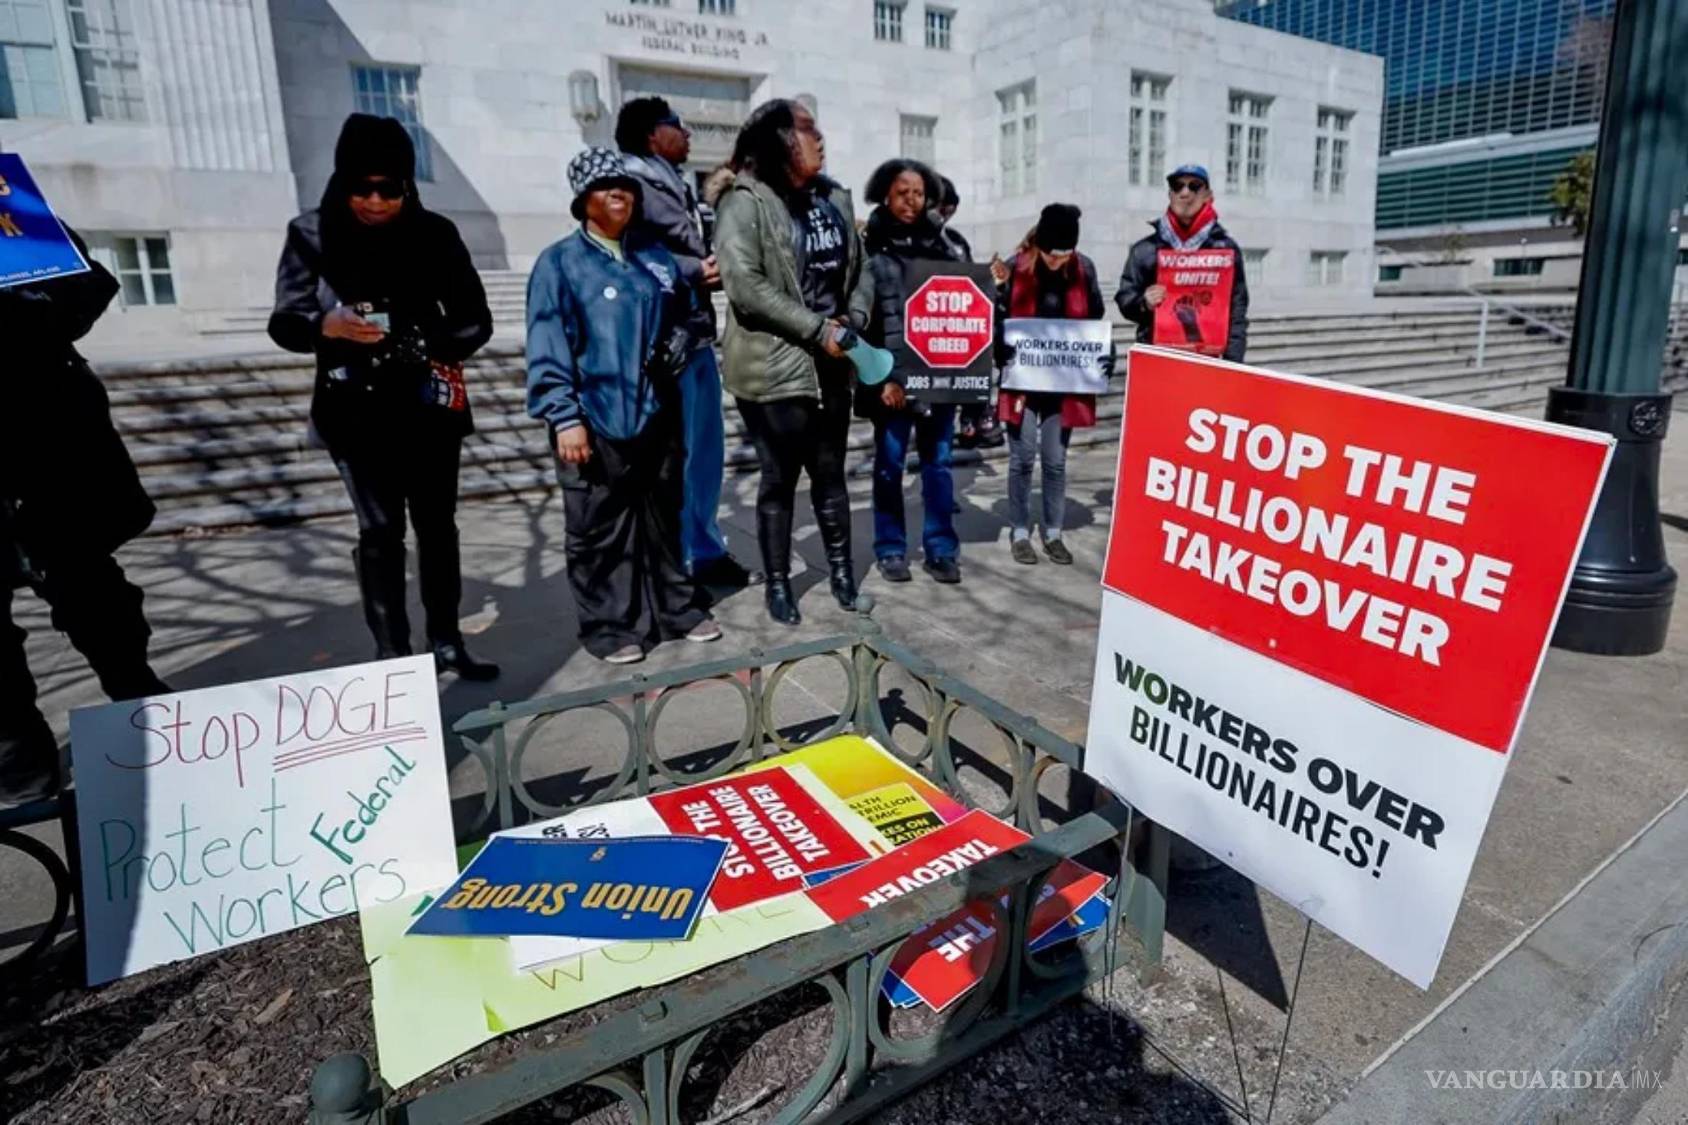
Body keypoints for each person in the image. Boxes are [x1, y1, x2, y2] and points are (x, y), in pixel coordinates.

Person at [269, 113, 498, 679]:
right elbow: (286, 320)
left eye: (389, 189)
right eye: (361, 188)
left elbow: (476, 320)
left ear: (407, 185)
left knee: (438, 527)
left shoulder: (436, 234)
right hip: (355, 413)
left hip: (427, 409)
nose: (375, 201)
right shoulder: (311, 233)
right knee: (379, 530)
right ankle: (393, 656)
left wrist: (423, 341)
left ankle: (446, 640)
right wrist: (327, 325)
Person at [525, 147, 722, 665]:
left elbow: (690, 311)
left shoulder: (655, 258)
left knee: (663, 514)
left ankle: (675, 608)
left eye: (628, 187)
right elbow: (548, 343)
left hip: (658, 413)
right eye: (607, 187)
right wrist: (565, 417)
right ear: (582, 200)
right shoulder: (560, 263)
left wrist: (683, 335)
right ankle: (611, 625)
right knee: (598, 527)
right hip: (595, 417)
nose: (621, 195)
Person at [0, 228, 170, 805]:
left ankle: (140, 705)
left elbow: (88, 287)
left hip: (50, 452)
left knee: (100, 602)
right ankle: (17, 753)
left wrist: (30, 312)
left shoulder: (11, 212)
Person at [714, 99, 868, 626]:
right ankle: (779, 585)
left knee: (830, 476)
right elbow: (745, 287)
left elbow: (860, 266)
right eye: (807, 130)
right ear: (779, 140)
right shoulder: (745, 203)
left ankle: (844, 575)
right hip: (774, 367)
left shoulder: (834, 198)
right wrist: (815, 329)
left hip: (833, 359)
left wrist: (855, 314)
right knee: (779, 479)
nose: (820, 139)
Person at [615, 97, 758, 591]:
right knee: (674, 459)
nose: (688, 134)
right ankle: (671, 560)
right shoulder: (629, 183)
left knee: (704, 452)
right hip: (663, 343)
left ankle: (703, 548)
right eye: (678, 126)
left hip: (695, 336)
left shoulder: (672, 180)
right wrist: (693, 269)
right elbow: (626, 253)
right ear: (654, 134)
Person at [851, 158, 963, 585]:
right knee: (889, 465)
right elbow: (864, 321)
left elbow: (964, 308)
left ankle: (940, 548)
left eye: (919, 192)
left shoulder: (946, 247)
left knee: (939, 466)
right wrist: (883, 378)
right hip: (893, 382)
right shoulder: (869, 251)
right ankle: (891, 548)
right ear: (885, 194)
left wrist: (992, 284)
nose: (912, 201)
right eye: (903, 192)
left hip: (941, 378)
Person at [990, 203, 1107, 566]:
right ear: (1039, 245)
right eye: (1053, 255)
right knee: (1022, 459)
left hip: (1064, 382)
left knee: (1055, 462)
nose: (1059, 262)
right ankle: (1020, 531)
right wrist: (997, 300)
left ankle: (1053, 532)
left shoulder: (1083, 268)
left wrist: (1101, 355)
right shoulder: (1014, 268)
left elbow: (1096, 317)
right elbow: (996, 322)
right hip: (1023, 381)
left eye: (1066, 255)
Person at [1114, 163, 1250, 361]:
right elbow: (1125, 299)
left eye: (1194, 186)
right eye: (1177, 186)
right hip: (1158, 361)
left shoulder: (1226, 251)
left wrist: (1233, 365)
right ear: (1170, 194)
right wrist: (1144, 303)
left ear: (1207, 195)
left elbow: (1237, 313)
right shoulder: (1145, 250)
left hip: (1208, 362)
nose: (1185, 193)